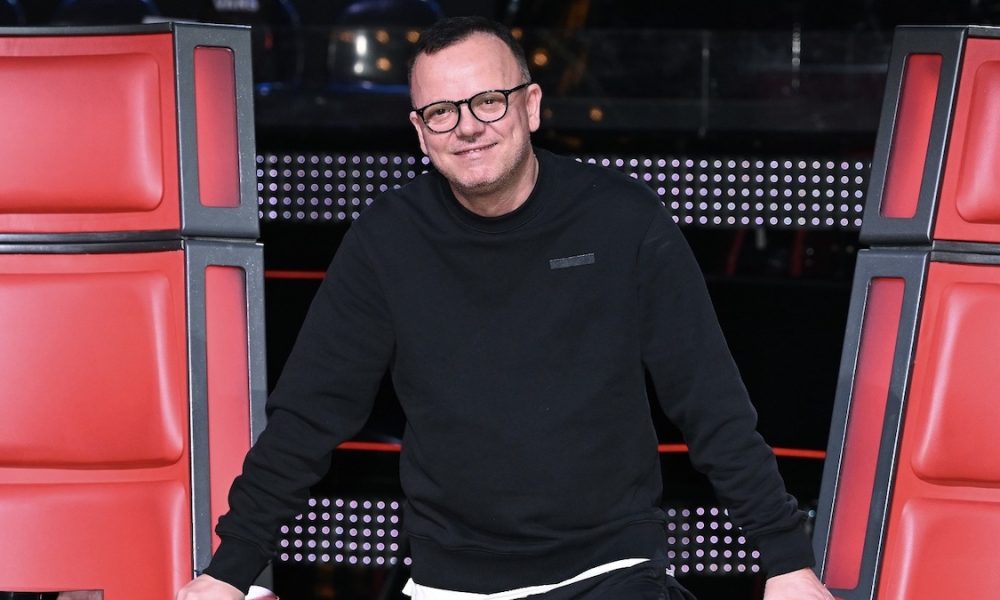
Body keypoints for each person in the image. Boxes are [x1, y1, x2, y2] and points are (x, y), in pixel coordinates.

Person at [177, 16, 833, 600]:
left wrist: (787, 561)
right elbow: (308, 418)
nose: (467, 126)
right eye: (442, 111)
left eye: (488, 101)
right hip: (450, 580)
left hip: (610, 569)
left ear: (531, 105)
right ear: (420, 132)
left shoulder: (623, 221)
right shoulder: (387, 239)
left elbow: (710, 403)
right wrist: (229, 571)